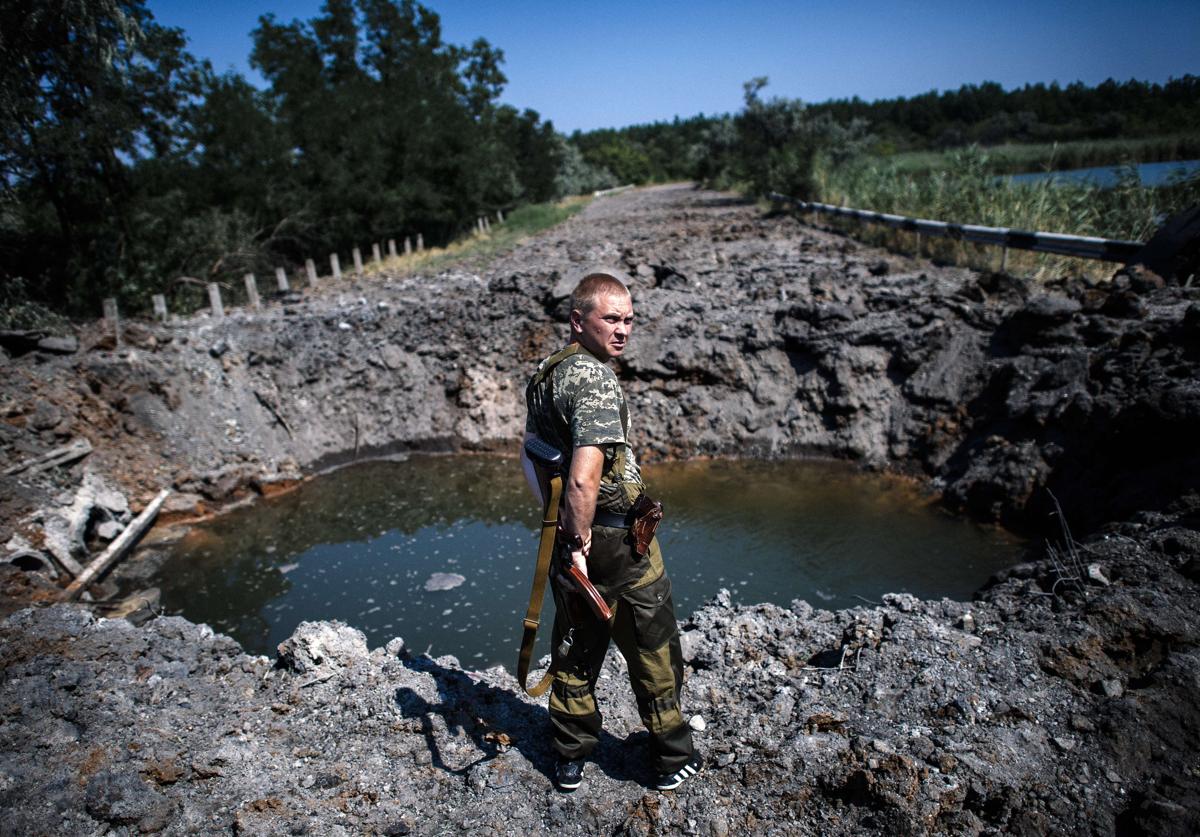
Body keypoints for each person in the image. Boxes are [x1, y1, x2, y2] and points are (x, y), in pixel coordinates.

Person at [521, 269, 701, 793]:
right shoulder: (594, 380)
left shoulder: (548, 370)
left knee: (576, 645)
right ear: (578, 321)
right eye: (611, 319)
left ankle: (570, 755)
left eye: (629, 320)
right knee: (653, 645)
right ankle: (671, 756)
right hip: (616, 543)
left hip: (567, 532)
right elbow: (583, 475)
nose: (622, 330)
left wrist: (558, 531)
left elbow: (531, 452)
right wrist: (582, 544)